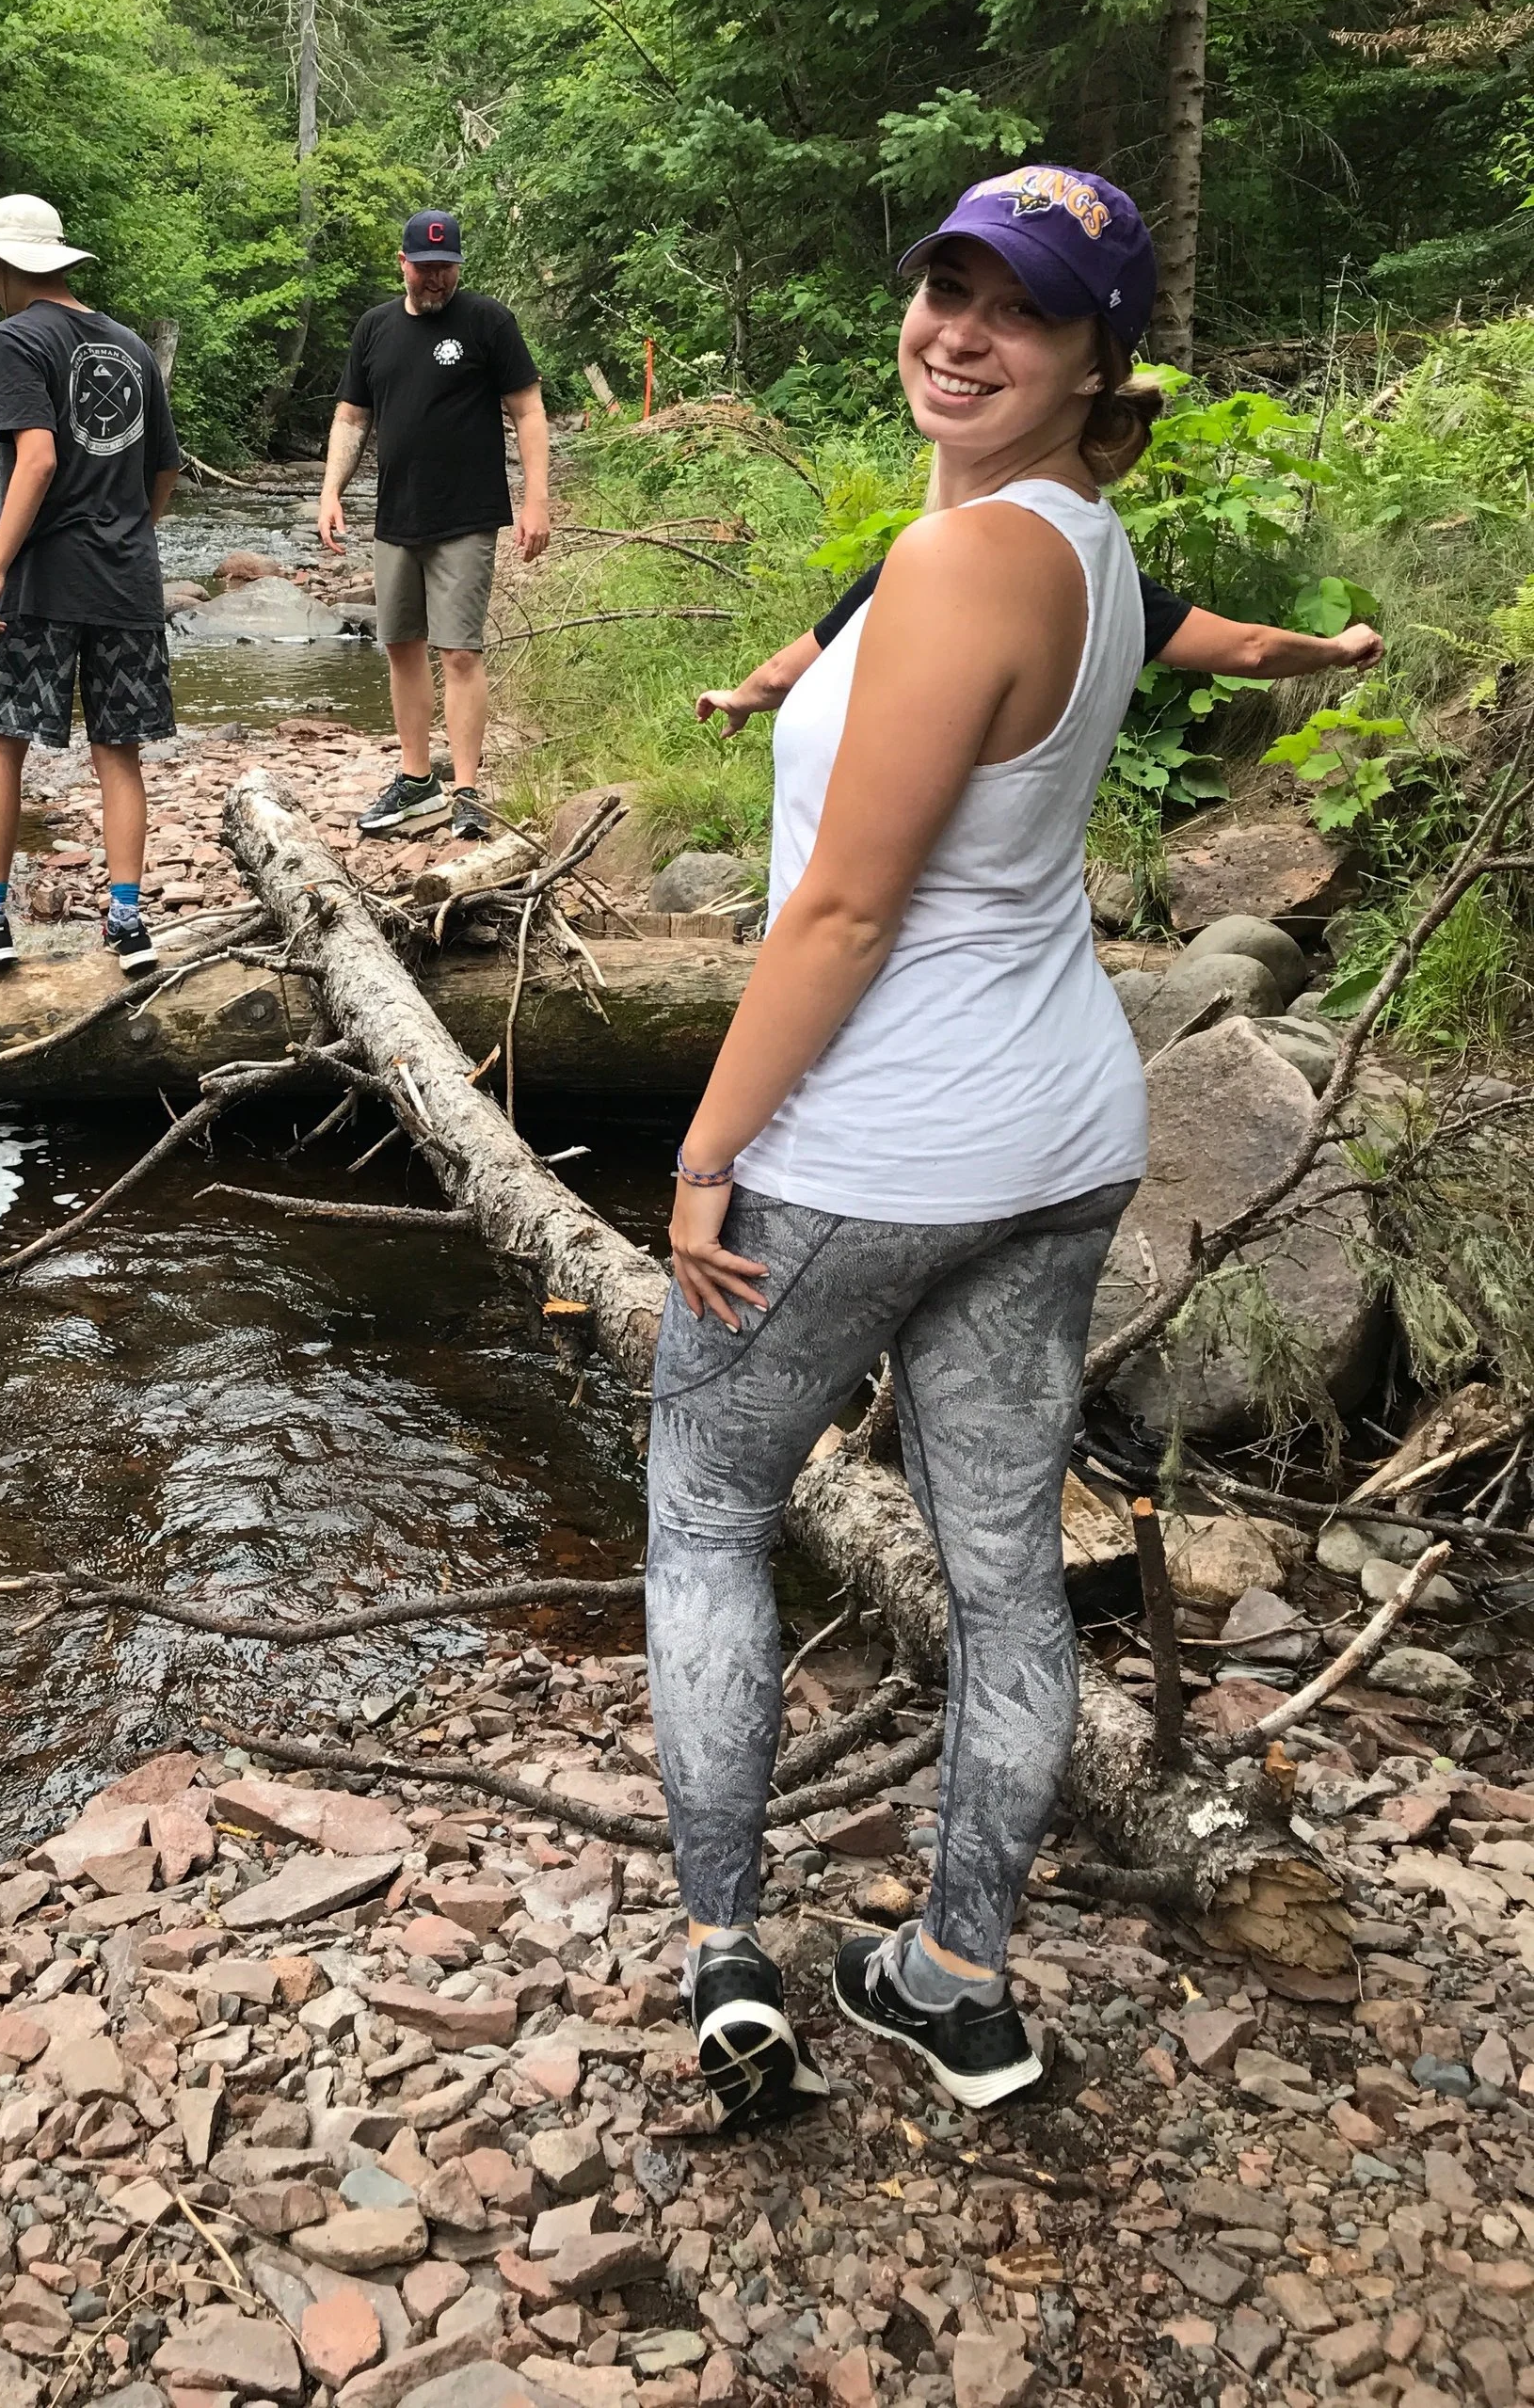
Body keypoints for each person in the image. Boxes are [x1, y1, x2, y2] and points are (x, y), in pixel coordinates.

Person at [647, 164, 1179, 2133]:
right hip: (1055, 1130)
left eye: (1014, 311)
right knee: (1002, 1568)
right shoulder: (1079, 537)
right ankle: (952, 1980)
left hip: (870, 1143)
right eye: (939, 287)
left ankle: (724, 1955)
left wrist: (707, 1148)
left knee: (705, 1500)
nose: (953, 332)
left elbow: (845, 912)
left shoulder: (962, 563)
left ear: (1089, 356)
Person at [0, 193, 180, 977]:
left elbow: (36, 461)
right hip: (128, 583)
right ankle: (127, 922)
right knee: (120, 752)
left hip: (41, 580)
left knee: (1, 744)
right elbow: (165, 469)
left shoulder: (14, 338)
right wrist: (130, 534)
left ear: (7, 266)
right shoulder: (131, 346)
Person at [319, 210, 551, 842]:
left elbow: (529, 411)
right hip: (397, 515)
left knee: (459, 650)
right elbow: (350, 418)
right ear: (403, 262)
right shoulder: (375, 328)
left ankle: (469, 790)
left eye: (446, 268)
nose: (437, 279)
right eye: (426, 267)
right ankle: (417, 779)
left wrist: (538, 500)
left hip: (467, 515)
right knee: (400, 645)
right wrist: (330, 491)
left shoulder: (486, 322)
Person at [697, 555, 1382, 732]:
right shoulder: (1095, 574)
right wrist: (1337, 646)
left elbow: (790, 672)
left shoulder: (914, 565)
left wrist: (738, 698)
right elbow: (1251, 651)